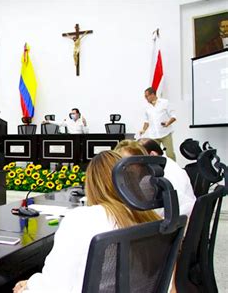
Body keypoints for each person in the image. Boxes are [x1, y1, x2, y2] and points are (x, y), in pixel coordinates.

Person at [13, 151, 160, 293]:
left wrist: (31, 283)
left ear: (92, 184)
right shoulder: (149, 217)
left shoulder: (82, 220)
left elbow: (55, 287)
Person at [138, 138, 196, 218]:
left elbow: (175, 206)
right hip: (175, 217)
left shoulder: (170, 173)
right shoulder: (164, 165)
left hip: (177, 220)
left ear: (152, 155)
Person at [139, 87, 177, 161]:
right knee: (154, 155)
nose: (146, 98)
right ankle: (157, 170)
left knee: (170, 154)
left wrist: (168, 123)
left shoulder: (164, 102)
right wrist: (143, 130)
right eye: (145, 97)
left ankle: (174, 169)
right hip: (154, 135)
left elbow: (174, 116)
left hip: (165, 133)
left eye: (147, 96)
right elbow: (146, 121)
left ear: (152, 94)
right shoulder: (147, 107)